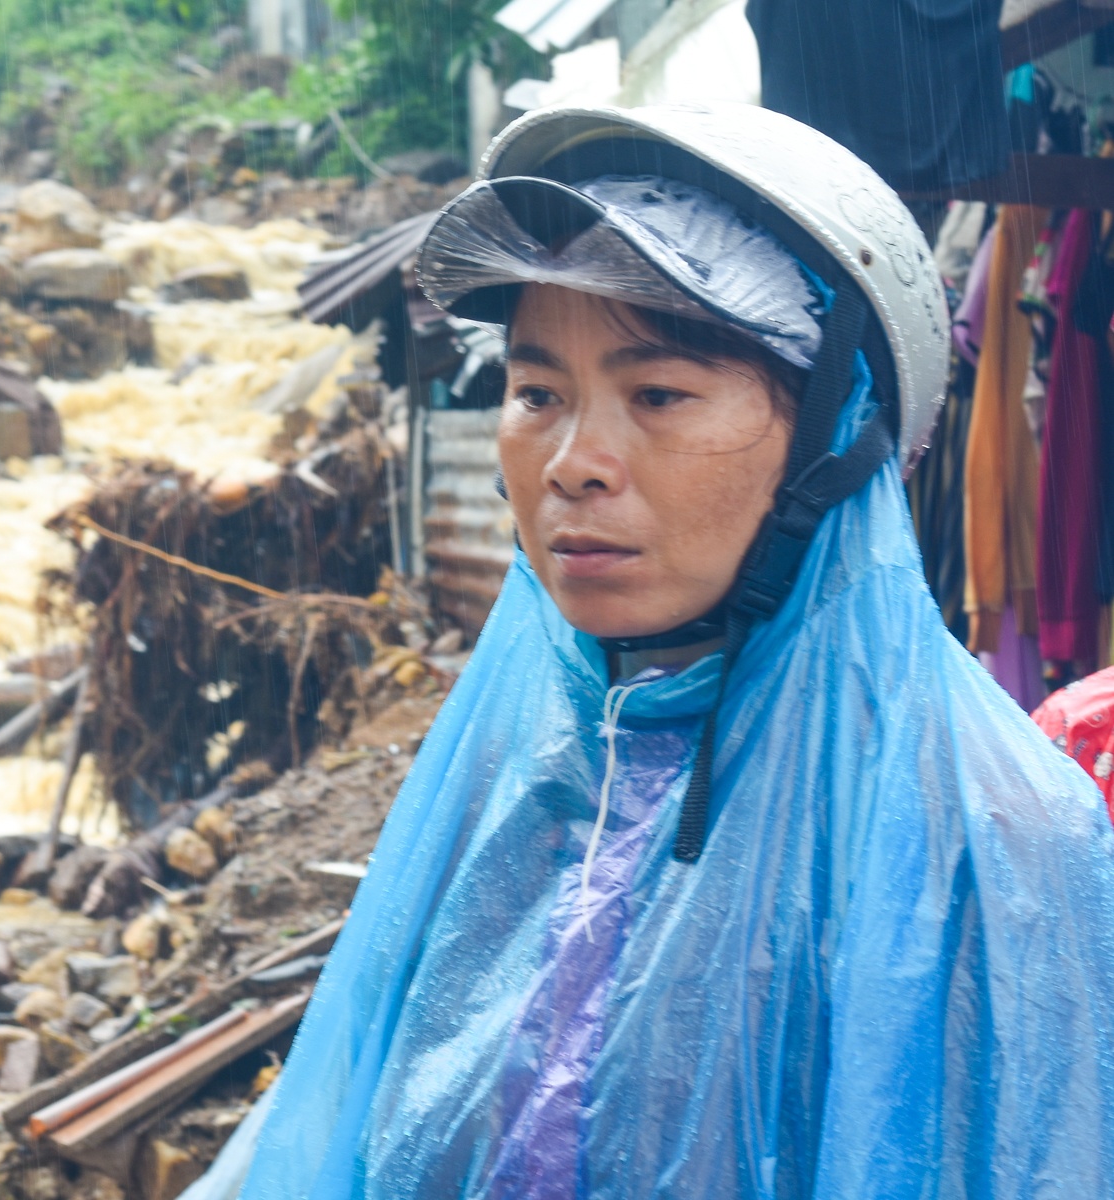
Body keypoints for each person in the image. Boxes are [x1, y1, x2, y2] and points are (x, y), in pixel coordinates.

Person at [230, 104, 1114, 1198]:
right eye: (536, 393)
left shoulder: (987, 832)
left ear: (831, 437)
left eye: (657, 394)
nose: (572, 462)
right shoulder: (515, 769)